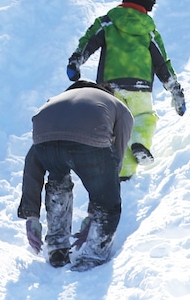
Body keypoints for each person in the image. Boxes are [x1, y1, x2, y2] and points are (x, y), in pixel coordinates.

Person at [66, 0, 185, 180]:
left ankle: (115, 172)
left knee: (114, 128)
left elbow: (89, 40)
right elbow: (162, 64)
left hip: (109, 88)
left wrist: (76, 61)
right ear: (146, 8)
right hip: (140, 88)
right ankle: (136, 151)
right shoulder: (149, 32)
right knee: (143, 119)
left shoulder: (108, 22)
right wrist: (175, 90)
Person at [17, 80, 133, 270]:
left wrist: (32, 216)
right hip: (90, 139)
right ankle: (93, 256)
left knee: (57, 180)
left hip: (46, 139)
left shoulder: (55, 102)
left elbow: (32, 162)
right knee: (108, 203)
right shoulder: (117, 107)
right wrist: (96, 213)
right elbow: (114, 163)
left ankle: (57, 247)